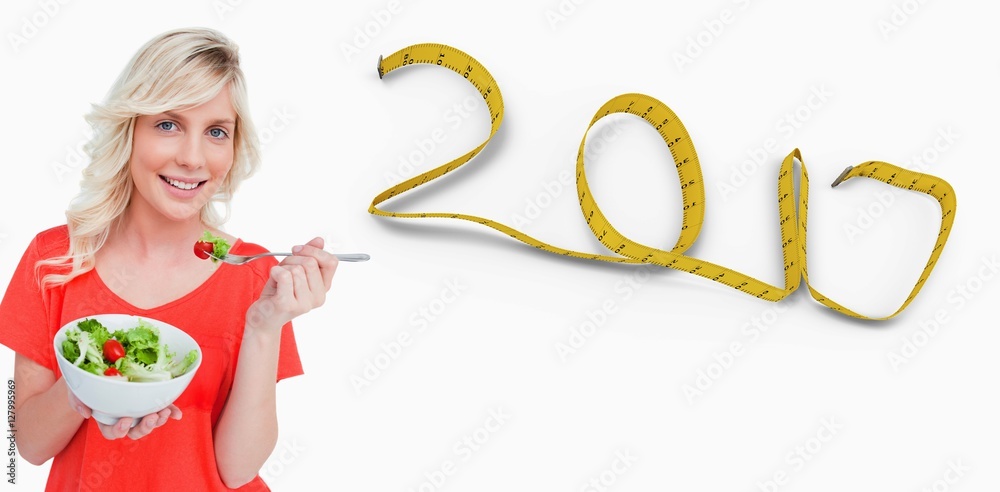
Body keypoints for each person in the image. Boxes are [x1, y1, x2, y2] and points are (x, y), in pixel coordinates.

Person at [0, 28, 337, 490]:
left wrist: (265, 327)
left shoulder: (254, 271)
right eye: (168, 124)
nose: (193, 158)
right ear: (129, 129)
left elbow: (238, 470)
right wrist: (92, 391)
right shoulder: (55, 258)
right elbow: (26, 445)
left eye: (216, 132)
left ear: (233, 148)